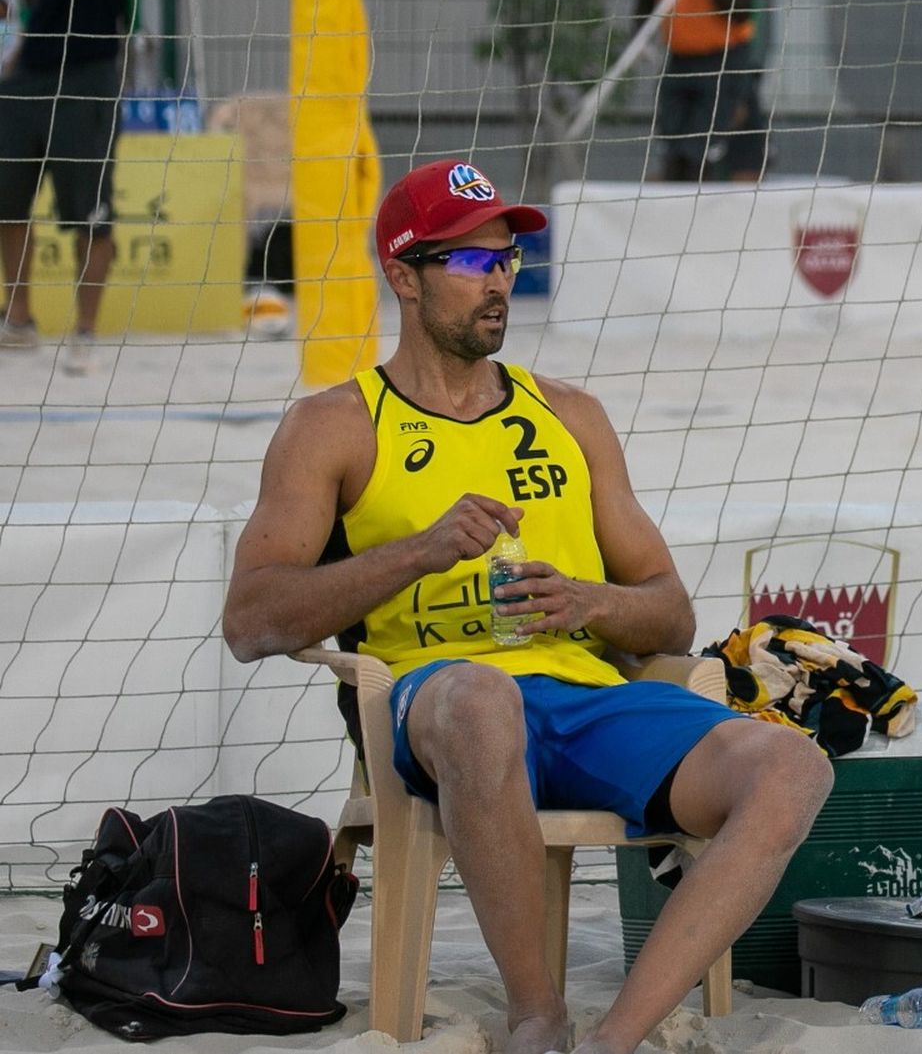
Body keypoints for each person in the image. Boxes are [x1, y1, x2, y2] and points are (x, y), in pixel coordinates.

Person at [221, 159, 833, 1054]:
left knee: (793, 767)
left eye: (507, 258)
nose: (500, 279)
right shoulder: (336, 426)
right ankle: (536, 1018)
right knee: (480, 699)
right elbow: (252, 621)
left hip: (582, 696)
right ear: (403, 273)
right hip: (438, 699)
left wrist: (587, 600)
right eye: (472, 262)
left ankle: (611, 1040)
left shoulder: (571, 415)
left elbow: (668, 614)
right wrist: (423, 550)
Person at [0, 0, 132, 373]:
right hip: (25, 70)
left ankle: (86, 332)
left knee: (92, 215)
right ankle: (19, 319)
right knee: (8, 201)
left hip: (86, 72)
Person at [635, 0, 758, 183]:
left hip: (724, 55)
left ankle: (704, 197)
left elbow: (740, 12)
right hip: (679, 58)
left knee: (701, 147)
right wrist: (640, 39)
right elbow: (644, 3)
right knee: (671, 141)